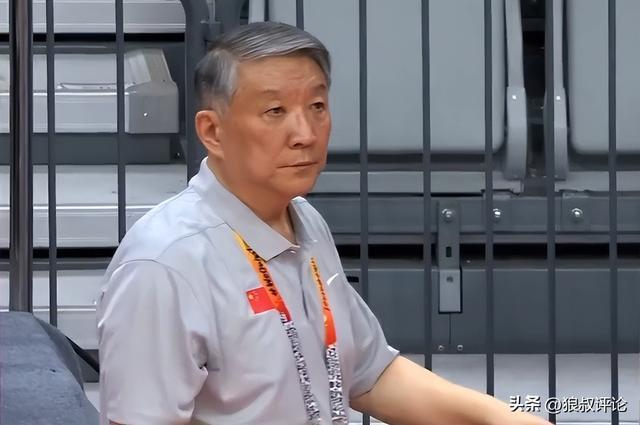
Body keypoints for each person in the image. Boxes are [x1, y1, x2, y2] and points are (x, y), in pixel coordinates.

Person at [97, 21, 552, 425]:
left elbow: (371, 375)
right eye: (275, 112)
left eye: (317, 106)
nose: (306, 134)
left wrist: (500, 417)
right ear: (212, 132)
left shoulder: (304, 220)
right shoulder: (164, 264)